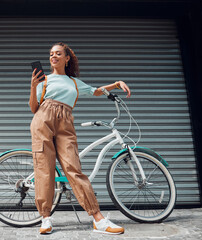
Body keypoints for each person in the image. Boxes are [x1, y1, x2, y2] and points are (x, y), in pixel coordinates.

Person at [29, 42, 131, 235]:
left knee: (74, 169)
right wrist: (33, 86)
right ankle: (45, 218)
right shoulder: (44, 80)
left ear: (67, 58)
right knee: (44, 169)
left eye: (58, 53)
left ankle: (97, 219)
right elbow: (34, 108)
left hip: (65, 122)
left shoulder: (75, 83)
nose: (54, 56)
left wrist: (116, 84)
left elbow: (96, 90)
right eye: (51, 54)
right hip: (43, 119)